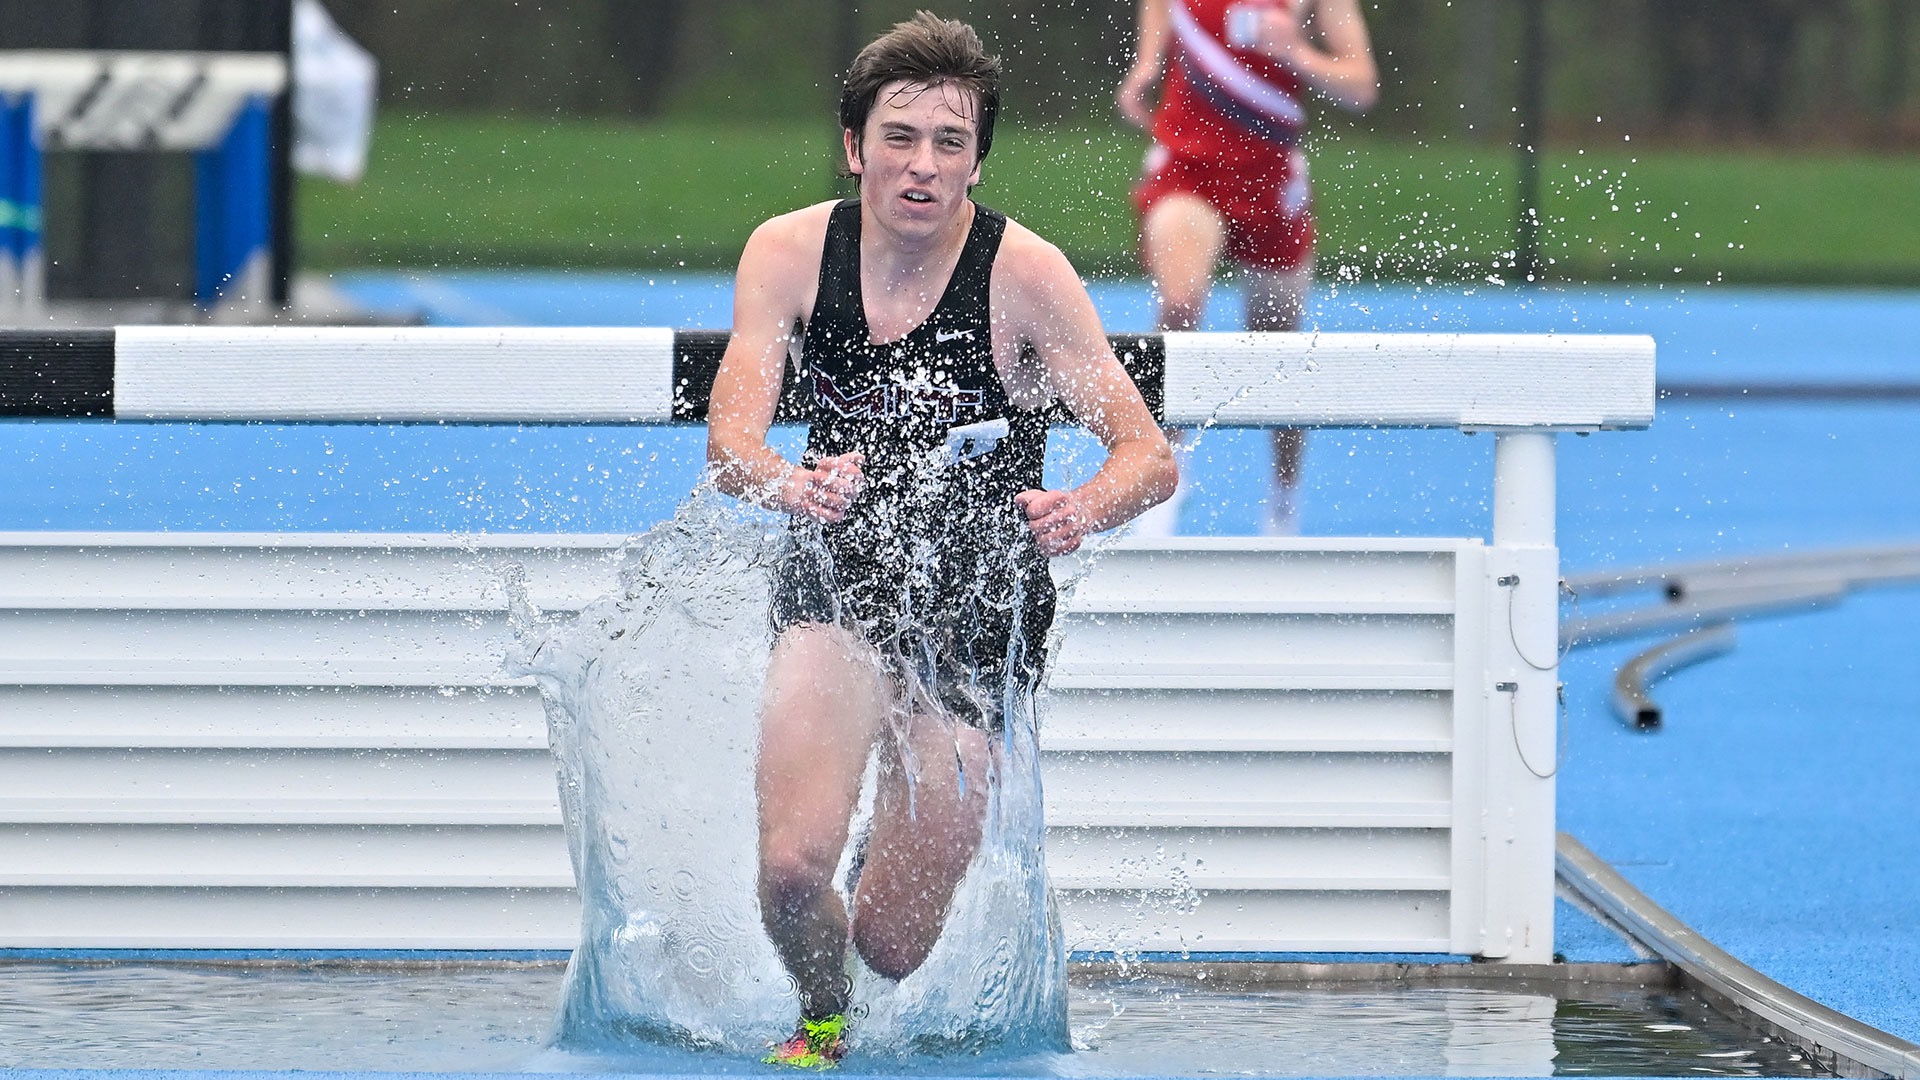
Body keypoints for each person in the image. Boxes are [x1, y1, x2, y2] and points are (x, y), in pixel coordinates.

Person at [705, 12, 1177, 1067]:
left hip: (976, 609)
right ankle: (820, 1025)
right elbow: (731, 442)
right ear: (854, 147)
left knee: (891, 942)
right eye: (901, 138)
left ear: (977, 161)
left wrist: (1082, 506)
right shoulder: (788, 254)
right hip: (840, 577)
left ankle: (892, 843)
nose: (922, 167)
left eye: (950, 144)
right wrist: (786, 479)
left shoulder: (1026, 275)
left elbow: (1149, 456)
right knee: (791, 875)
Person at [1116, 0, 1377, 536]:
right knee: (1181, 302)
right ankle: (1163, 470)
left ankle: (1283, 503)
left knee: (1278, 346)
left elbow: (1362, 85)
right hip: (1188, 167)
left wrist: (1298, 53)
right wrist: (1146, 62)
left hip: (1270, 180)